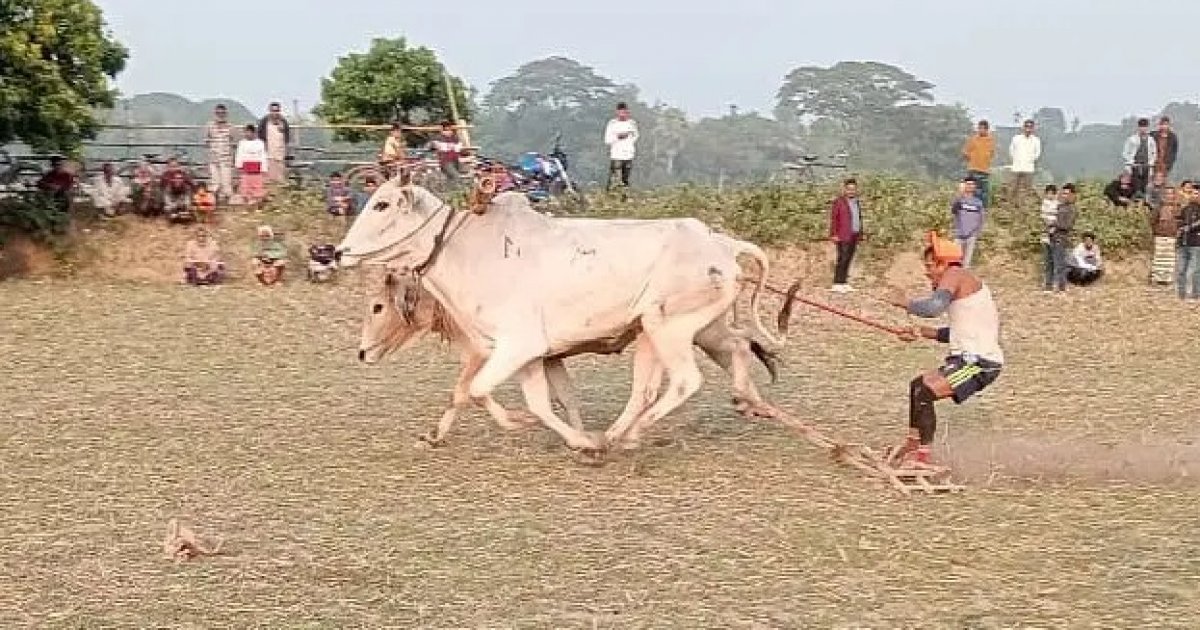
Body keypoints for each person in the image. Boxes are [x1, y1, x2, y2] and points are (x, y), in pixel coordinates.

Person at [887, 232, 1004, 465]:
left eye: (930, 266)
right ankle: (913, 444)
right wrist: (920, 331)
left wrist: (907, 303)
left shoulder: (955, 273)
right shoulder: (964, 290)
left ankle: (922, 459)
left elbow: (933, 307)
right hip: (967, 358)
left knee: (925, 393)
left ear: (943, 263)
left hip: (980, 363)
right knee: (917, 386)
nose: (927, 272)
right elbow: (956, 333)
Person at [829, 178, 865, 293]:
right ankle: (837, 283)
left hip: (854, 234)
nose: (851, 191)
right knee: (842, 258)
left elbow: (858, 218)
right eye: (849, 189)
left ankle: (844, 282)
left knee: (849, 258)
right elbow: (834, 218)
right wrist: (834, 234)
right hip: (843, 235)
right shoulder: (839, 202)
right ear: (845, 189)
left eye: (853, 189)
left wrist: (860, 233)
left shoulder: (856, 202)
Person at [1045, 183, 1078, 293]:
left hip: (1060, 238)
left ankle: (1061, 288)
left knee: (1060, 264)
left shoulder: (1072, 209)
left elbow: (1067, 225)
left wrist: (1054, 224)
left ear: (1073, 195)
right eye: (1063, 193)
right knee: (1049, 263)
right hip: (1049, 237)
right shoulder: (1058, 206)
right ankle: (1048, 286)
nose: (1064, 196)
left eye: (1067, 194)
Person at [604, 102, 638, 195]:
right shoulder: (612, 124)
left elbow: (635, 137)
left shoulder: (632, 123)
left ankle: (624, 198)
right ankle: (611, 196)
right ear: (617, 112)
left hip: (628, 155)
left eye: (625, 112)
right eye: (621, 112)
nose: (623, 114)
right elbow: (607, 140)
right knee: (615, 179)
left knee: (625, 179)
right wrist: (618, 137)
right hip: (616, 155)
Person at [203, 103, 235, 203]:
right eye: (218, 113)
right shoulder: (209, 126)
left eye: (222, 113)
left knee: (226, 182)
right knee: (215, 182)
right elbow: (206, 141)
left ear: (225, 114)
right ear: (215, 113)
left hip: (226, 159)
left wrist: (229, 153)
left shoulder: (230, 127)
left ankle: (227, 204)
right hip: (213, 158)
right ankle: (214, 204)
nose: (220, 115)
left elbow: (234, 142)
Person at [1007, 119, 1041, 209]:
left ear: (1033, 128)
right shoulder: (1016, 138)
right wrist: (1016, 159)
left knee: (1027, 189)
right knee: (1013, 188)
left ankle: (1024, 207)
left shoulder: (1036, 140)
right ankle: (1011, 207)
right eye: (1026, 127)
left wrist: (1029, 160)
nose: (1028, 129)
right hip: (1016, 167)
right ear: (1023, 127)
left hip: (1029, 168)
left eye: (1030, 127)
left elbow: (1037, 154)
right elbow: (1011, 151)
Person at [951, 177, 985, 267]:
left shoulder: (978, 203)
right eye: (968, 184)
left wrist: (977, 233)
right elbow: (953, 210)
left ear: (975, 187)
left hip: (971, 236)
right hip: (958, 235)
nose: (970, 186)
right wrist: (959, 194)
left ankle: (962, 280)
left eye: (972, 184)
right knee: (954, 261)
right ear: (964, 186)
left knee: (966, 263)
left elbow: (981, 219)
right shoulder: (959, 200)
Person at [1151, 186, 1181, 285]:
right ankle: (1157, 278)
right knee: (1159, 257)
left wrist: (1177, 231)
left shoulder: (1178, 208)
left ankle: (1168, 279)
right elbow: (1153, 221)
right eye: (1167, 193)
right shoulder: (1158, 207)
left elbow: (1181, 221)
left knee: (1170, 258)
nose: (1169, 196)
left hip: (1172, 236)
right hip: (1160, 236)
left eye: (1171, 193)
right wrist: (1157, 231)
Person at [961, 120, 995, 207]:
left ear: (987, 129)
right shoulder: (973, 139)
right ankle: (971, 207)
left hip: (985, 170)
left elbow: (991, 154)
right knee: (972, 190)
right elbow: (965, 152)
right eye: (979, 128)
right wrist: (972, 160)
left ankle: (983, 210)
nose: (980, 130)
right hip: (973, 169)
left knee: (984, 193)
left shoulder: (990, 140)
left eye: (983, 129)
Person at [1121, 118, 1157, 199]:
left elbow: (1154, 153)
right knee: (1135, 184)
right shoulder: (1132, 139)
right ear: (1138, 127)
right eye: (1141, 127)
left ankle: (1143, 200)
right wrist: (1131, 162)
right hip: (1135, 165)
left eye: (1145, 127)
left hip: (1146, 165)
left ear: (1148, 127)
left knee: (1144, 184)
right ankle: (1135, 198)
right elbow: (1125, 153)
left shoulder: (1151, 140)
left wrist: (1151, 163)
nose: (1143, 129)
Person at [257, 102, 290, 184]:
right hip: (268, 154)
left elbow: (287, 139)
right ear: (270, 111)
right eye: (273, 111)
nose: (275, 113)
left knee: (280, 179)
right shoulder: (264, 122)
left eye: (277, 111)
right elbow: (260, 136)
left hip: (280, 155)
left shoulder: (283, 122)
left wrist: (286, 152)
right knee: (269, 178)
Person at [235, 124, 268, 204]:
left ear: (254, 133)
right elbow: (239, 154)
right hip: (246, 167)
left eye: (249, 132)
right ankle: (247, 199)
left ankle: (257, 200)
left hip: (257, 167)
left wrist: (264, 168)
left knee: (257, 184)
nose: (247, 134)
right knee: (246, 184)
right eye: (246, 132)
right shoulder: (242, 143)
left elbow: (263, 155)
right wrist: (238, 165)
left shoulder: (260, 143)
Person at [1177, 193, 1200, 300]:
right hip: (1183, 243)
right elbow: (1179, 222)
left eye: (1197, 194)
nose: (1194, 196)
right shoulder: (1185, 209)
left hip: (1196, 243)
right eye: (1192, 194)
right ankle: (1181, 294)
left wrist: (1190, 227)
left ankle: (1195, 294)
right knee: (1181, 270)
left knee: (1194, 270)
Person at [428, 121, 464, 186]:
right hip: (445, 162)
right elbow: (431, 146)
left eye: (450, 130)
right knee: (455, 176)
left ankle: (450, 191)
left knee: (452, 178)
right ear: (442, 130)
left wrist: (451, 146)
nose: (448, 131)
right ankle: (455, 191)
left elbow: (459, 148)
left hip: (455, 161)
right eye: (446, 130)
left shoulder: (455, 138)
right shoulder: (438, 138)